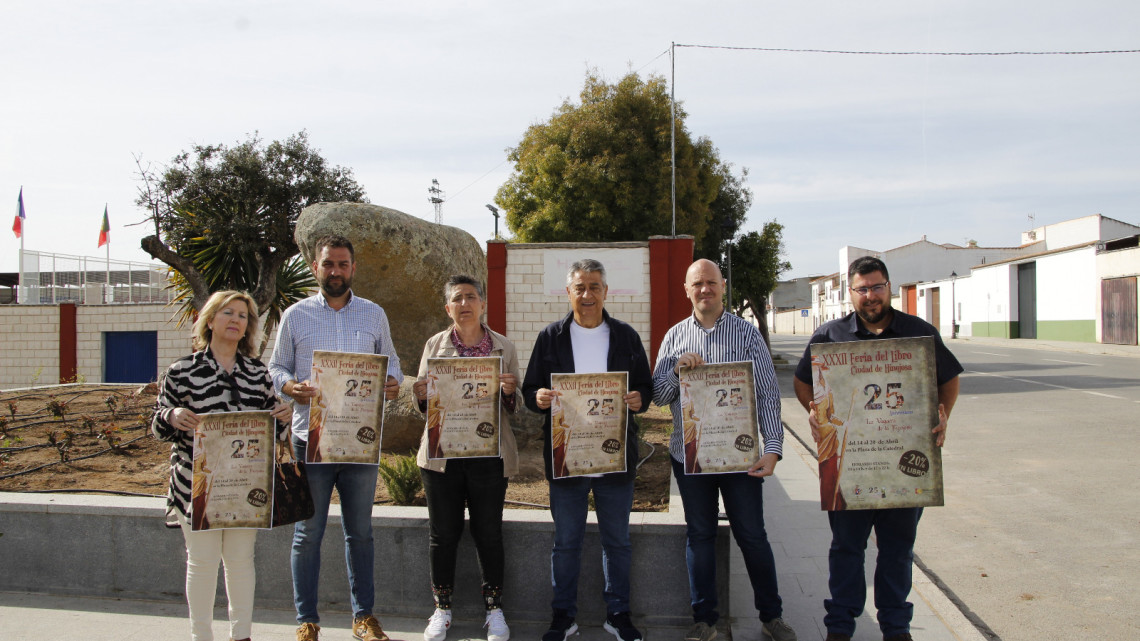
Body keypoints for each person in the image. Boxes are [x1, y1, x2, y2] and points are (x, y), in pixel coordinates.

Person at [792, 256, 961, 641]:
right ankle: (840, 626)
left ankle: (895, 626)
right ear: (850, 294)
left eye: (877, 287)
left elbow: (948, 379)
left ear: (889, 287)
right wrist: (817, 415)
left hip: (903, 464)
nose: (871, 296)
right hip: (849, 466)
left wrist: (943, 414)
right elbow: (804, 382)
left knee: (898, 550)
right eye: (862, 289)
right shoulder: (828, 336)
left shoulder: (919, 333)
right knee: (846, 549)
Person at [651, 259, 798, 641]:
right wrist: (676, 370)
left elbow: (766, 393)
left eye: (711, 283)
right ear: (687, 289)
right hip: (691, 458)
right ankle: (705, 620)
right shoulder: (674, 337)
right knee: (699, 535)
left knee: (751, 534)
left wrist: (773, 448)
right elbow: (659, 396)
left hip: (740, 456)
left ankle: (772, 617)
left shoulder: (747, 334)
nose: (705, 290)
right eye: (697, 284)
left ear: (723, 285)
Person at [269, 235, 403, 641]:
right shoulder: (295, 315)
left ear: (353, 268)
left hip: (360, 441)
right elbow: (275, 368)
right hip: (309, 439)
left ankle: (364, 617)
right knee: (308, 533)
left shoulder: (373, 313)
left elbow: (391, 361)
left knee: (359, 531)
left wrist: (393, 380)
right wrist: (291, 387)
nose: (336, 272)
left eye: (343, 264)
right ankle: (306, 621)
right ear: (315, 267)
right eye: (328, 264)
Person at [522, 259, 652, 641]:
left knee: (618, 542)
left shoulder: (626, 336)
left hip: (614, 459)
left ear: (606, 292)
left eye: (595, 287)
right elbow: (531, 390)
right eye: (580, 287)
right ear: (569, 292)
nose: (588, 294)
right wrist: (539, 397)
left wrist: (638, 398)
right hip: (567, 459)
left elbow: (646, 386)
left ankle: (619, 614)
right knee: (566, 544)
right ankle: (563, 616)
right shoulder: (550, 337)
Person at [152, 290, 293, 641]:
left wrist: (283, 417)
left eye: (243, 316)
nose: (235, 320)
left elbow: (273, 428)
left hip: (246, 484)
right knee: (201, 564)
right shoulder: (182, 371)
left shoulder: (257, 372)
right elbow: (157, 426)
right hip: (197, 484)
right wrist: (172, 414)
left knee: (241, 562)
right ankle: (202, 636)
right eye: (227, 313)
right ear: (210, 319)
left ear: (249, 327)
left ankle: (241, 634)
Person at [410, 275, 521, 641]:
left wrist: (508, 391)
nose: (464, 304)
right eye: (457, 299)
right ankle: (442, 608)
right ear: (448, 308)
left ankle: (495, 610)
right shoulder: (434, 346)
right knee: (443, 535)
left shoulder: (504, 346)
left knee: (489, 533)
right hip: (444, 457)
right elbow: (423, 407)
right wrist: (422, 394)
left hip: (489, 455)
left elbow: (514, 408)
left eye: (471, 297)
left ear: (483, 303)